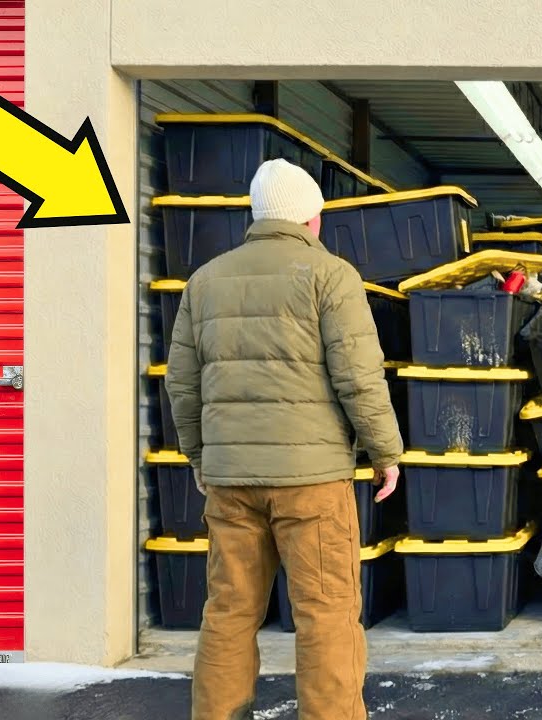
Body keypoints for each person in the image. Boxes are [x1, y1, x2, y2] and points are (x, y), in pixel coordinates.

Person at [166, 158, 403, 720]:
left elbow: (182, 382)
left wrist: (200, 455)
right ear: (312, 219)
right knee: (326, 612)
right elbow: (359, 376)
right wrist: (385, 452)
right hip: (313, 482)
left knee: (228, 610)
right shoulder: (330, 276)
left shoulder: (205, 281)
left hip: (230, 481)